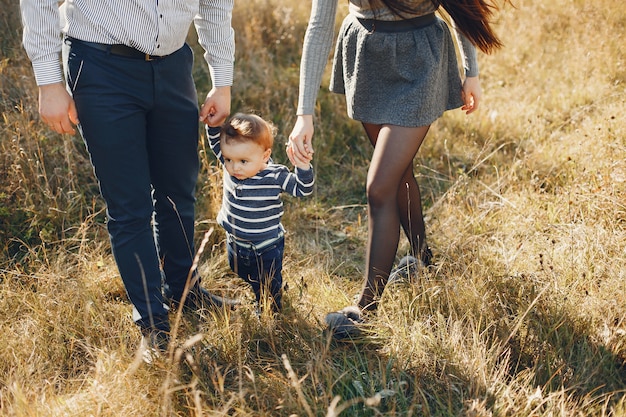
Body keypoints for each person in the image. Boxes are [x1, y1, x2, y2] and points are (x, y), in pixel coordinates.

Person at [20, 0, 237, 356]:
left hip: (174, 65)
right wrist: (49, 81)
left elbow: (215, 3)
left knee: (178, 192)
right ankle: (153, 323)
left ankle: (184, 291)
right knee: (130, 206)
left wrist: (222, 80)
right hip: (101, 68)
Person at [288, 0, 508, 338]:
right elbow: (319, 28)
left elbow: (462, 5)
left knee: (379, 186)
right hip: (367, 56)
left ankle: (366, 309)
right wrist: (305, 114)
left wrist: (471, 71)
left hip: (420, 57)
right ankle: (423, 259)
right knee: (398, 172)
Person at [207, 113, 315, 313]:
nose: (234, 167)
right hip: (235, 242)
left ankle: (269, 310)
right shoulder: (230, 162)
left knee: (269, 283)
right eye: (229, 159)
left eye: (243, 161)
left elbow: (303, 189)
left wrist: (302, 166)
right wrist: (213, 122)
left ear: (265, 156)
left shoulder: (274, 175)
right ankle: (257, 289)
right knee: (240, 270)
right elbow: (215, 139)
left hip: (265, 247)